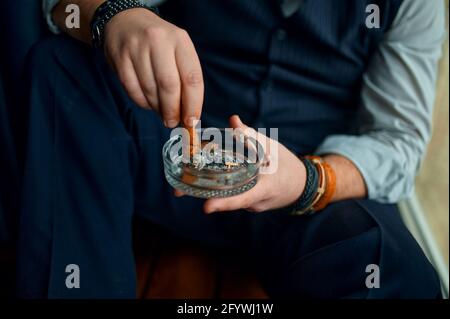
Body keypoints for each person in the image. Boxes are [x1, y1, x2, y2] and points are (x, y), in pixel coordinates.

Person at [16, 0, 444, 298]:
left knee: (390, 266)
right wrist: (112, 14)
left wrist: (309, 179)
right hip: (177, 146)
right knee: (61, 67)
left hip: (302, 182)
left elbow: (397, 141)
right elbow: (64, 6)